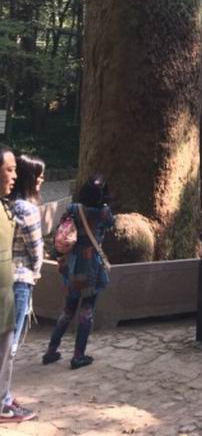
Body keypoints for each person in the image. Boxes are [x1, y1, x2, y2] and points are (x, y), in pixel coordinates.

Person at [42, 175, 114, 370]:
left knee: (68, 309)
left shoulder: (72, 209)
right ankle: (78, 355)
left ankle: (51, 351)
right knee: (87, 309)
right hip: (91, 267)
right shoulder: (104, 213)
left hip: (71, 265)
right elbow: (110, 224)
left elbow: (61, 228)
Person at [0, 144, 35, 424]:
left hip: (6, 298)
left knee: (5, 352)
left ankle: (3, 398)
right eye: (9, 170)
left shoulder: (5, 207)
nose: (14, 176)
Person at [9, 155, 45, 359]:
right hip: (20, 279)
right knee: (11, 342)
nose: (42, 180)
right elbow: (36, 248)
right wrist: (37, 272)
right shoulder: (27, 209)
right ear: (30, 178)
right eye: (39, 176)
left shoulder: (6, 204)